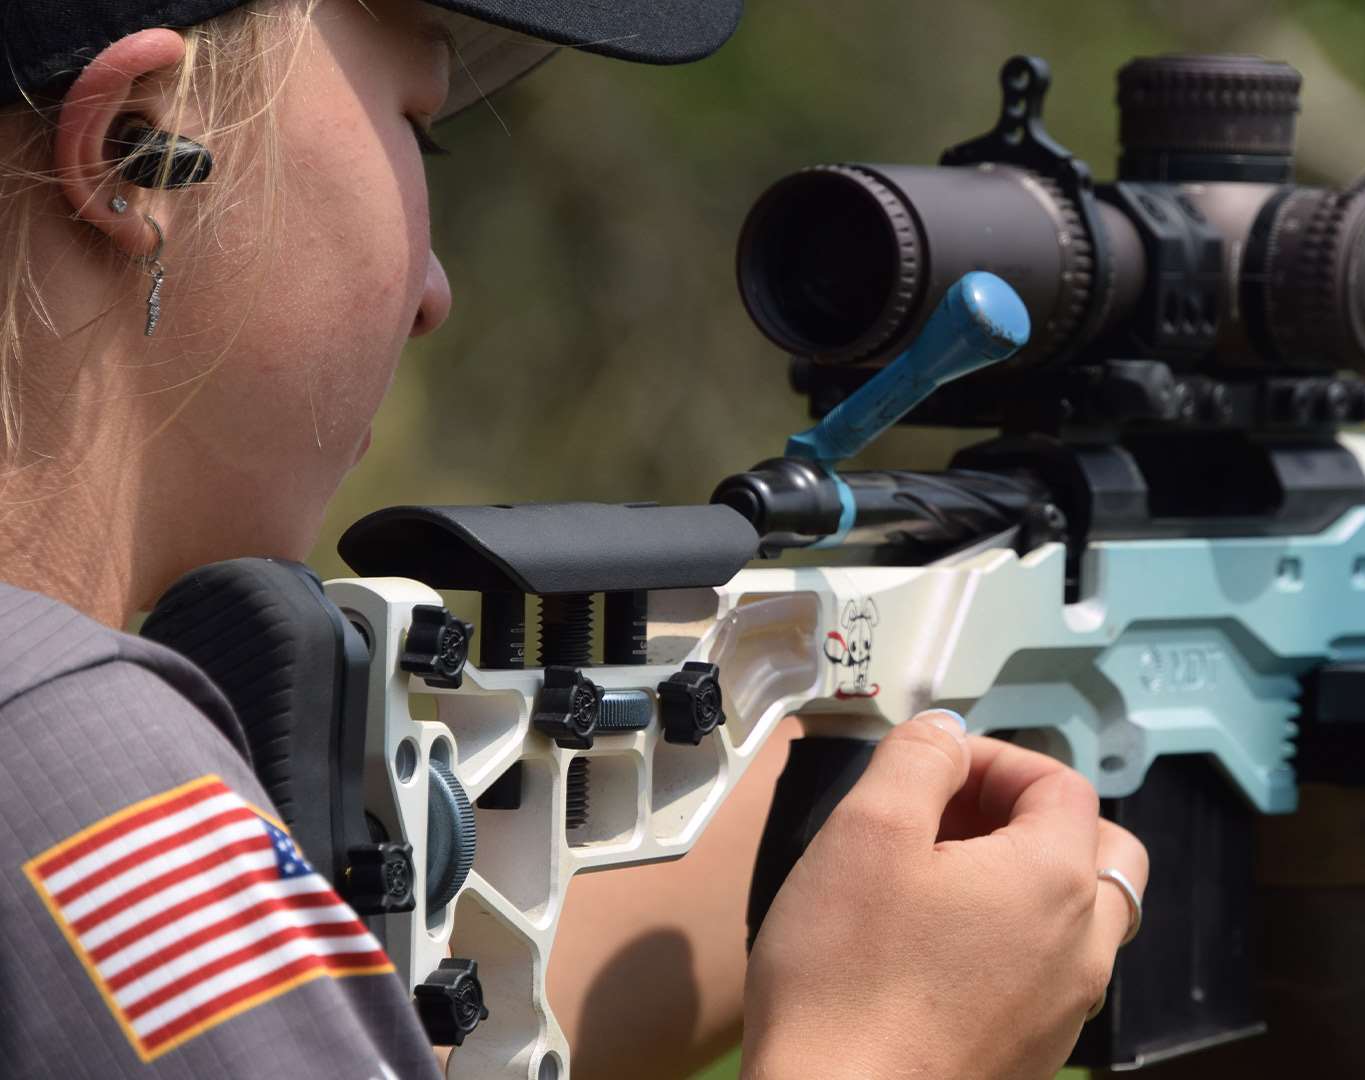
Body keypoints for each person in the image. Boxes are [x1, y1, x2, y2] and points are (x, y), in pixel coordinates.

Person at [0, 2, 1149, 1077]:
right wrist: (883, 1049)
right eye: (420, 130)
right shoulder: (83, 763)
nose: (433, 293)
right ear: (135, 146)